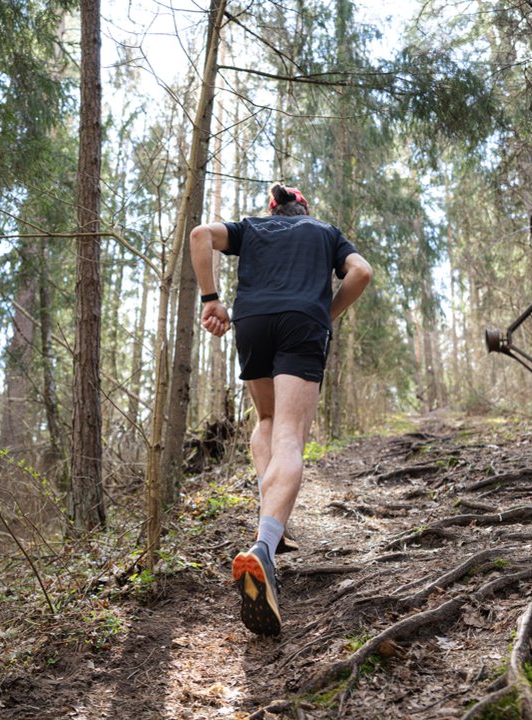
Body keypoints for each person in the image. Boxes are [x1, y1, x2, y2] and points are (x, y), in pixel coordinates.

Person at [189, 183, 373, 636]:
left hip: (252, 321)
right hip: (301, 322)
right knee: (289, 433)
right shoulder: (325, 232)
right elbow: (361, 272)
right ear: (303, 208)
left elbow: (199, 235)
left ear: (274, 210)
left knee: (267, 422)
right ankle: (265, 549)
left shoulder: (251, 228)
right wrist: (326, 313)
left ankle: (270, 521)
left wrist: (211, 299)